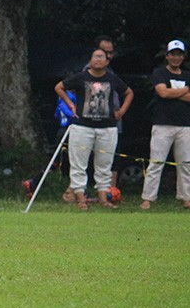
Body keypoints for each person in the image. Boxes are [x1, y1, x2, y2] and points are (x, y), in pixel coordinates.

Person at [55, 48, 134, 210]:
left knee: (104, 164)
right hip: (82, 126)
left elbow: (128, 92)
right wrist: (70, 104)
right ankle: (80, 199)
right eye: (95, 57)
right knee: (78, 163)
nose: (98, 60)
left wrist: (121, 111)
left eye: (101, 57)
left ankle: (104, 199)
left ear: (107, 61)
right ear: (90, 60)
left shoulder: (112, 79)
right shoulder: (81, 77)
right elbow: (59, 87)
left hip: (107, 128)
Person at [140, 39, 190, 210]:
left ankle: (186, 198)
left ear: (183, 57)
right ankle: (148, 199)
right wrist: (183, 91)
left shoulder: (187, 75)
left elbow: (173, 94)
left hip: (185, 125)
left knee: (186, 163)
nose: (176, 58)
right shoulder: (159, 73)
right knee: (156, 162)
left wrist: (171, 92)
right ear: (167, 56)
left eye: (179, 55)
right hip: (162, 124)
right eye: (173, 54)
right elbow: (162, 92)